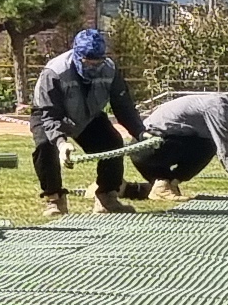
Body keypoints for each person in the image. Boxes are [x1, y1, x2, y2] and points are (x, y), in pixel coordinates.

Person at [29, 27, 145, 217]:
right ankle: (55, 200)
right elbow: (50, 115)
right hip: (49, 113)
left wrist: (140, 132)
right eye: (87, 62)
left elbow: (123, 106)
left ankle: (107, 197)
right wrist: (61, 143)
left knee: (112, 142)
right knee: (45, 146)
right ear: (76, 55)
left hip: (88, 114)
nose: (93, 66)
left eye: (97, 61)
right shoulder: (54, 72)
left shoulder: (110, 70)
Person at [122, 82, 228, 201]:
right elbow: (226, 151)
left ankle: (150, 186)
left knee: (205, 143)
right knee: (210, 145)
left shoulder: (222, 105)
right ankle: (165, 184)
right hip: (146, 147)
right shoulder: (218, 109)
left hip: (156, 148)